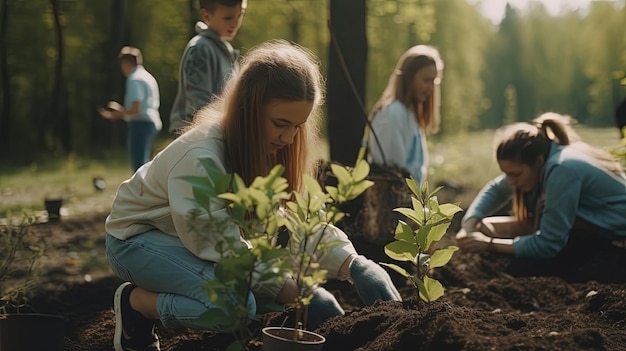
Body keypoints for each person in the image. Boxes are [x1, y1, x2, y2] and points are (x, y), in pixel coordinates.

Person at [105, 40, 401, 351]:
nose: (288, 138)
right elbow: (218, 243)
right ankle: (136, 304)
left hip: (184, 238)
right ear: (249, 108)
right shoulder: (202, 156)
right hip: (135, 240)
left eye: (297, 127)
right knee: (235, 305)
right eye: (280, 124)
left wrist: (353, 264)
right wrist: (299, 294)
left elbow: (291, 225)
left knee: (259, 292)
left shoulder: (266, 148)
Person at [455, 112, 626, 278]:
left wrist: (489, 245)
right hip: (604, 227)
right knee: (484, 226)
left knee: (542, 227)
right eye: (506, 174)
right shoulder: (552, 155)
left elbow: (549, 244)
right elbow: (496, 189)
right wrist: (469, 225)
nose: (511, 182)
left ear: (538, 161)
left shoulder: (561, 169)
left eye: (515, 174)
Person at [366, 45, 444, 185]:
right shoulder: (392, 113)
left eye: (434, 81)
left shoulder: (410, 115)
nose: (431, 88)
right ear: (408, 79)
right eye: (426, 80)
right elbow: (392, 170)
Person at [168, 0, 246, 137]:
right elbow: (198, 105)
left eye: (240, 15)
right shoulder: (200, 49)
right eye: (228, 18)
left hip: (216, 133)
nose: (235, 23)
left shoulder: (227, 50)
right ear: (207, 16)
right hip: (194, 137)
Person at [98, 46, 162, 172]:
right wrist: (122, 110)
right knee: (144, 163)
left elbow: (136, 110)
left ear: (125, 63)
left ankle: (141, 191)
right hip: (152, 122)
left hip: (141, 124)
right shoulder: (147, 76)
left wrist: (115, 115)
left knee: (139, 166)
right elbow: (141, 106)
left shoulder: (134, 79)